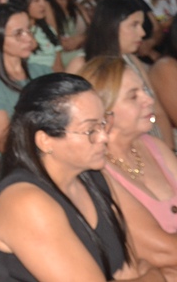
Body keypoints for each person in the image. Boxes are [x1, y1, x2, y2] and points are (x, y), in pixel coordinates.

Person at [0, 73, 166, 282]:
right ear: (45, 141)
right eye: (90, 130)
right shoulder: (25, 203)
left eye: (103, 123)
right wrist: (156, 276)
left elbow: (129, 267)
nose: (104, 136)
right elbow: (141, 270)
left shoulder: (93, 177)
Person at [80, 56, 177, 271]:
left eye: (145, 90)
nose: (149, 99)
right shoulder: (97, 170)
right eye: (133, 96)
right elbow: (159, 252)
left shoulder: (154, 146)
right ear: (104, 112)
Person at [67, 0, 174, 150]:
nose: (142, 32)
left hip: (154, 143)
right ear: (112, 26)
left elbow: (158, 112)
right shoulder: (82, 65)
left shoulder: (131, 60)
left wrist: (168, 150)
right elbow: (77, 123)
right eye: (134, 25)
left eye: (141, 25)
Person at [0, 3, 52, 151]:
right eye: (18, 33)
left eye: (29, 30)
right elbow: (3, 142)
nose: (28, 38)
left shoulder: (43, 72)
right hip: (19, 158)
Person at [9, 0, 63, 72]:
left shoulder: (48, 30)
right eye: (37, 0)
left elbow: (59, 66)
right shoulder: (14, 34)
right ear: (23, 1)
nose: (43, 4)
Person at [45, 0, 90, 67]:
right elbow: (55, 40)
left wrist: (81, 38)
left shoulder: (77, 6)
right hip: (60, 54)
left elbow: (93, 29)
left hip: (80, 49)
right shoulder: (48, 7)